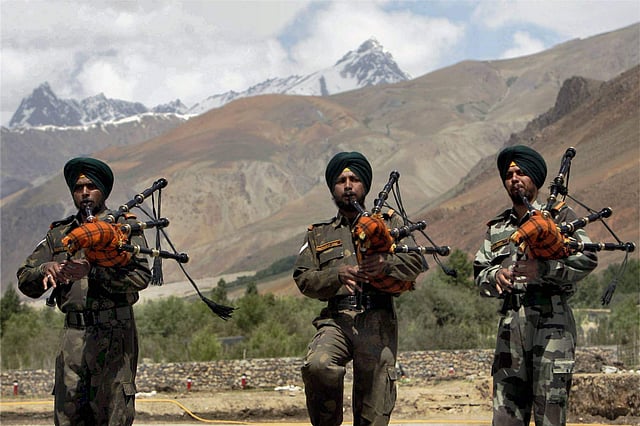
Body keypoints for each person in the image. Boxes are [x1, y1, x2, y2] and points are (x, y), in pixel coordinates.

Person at [17, 157, 151, 426]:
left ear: (104, 190)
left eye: (91, 186)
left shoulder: (123, 229)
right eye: (79, 188)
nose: (85, 193)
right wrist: (46, 269)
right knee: (69, 413)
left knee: (113, 413)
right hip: (73, 336)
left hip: (115, 334)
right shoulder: (59, 234)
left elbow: (141, 276)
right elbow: (24, 278)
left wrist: (94, 270)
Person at [293, 151, 424, 425]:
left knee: (373, 410)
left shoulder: (390, 223)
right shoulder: (319, 233)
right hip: (336, 320)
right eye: (341, 181)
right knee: (318, 365)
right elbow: (303, 278)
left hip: (378, 320)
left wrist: (385, 264)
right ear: (333, 188)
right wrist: (336, 275)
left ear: (365, 184)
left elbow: (416, 262)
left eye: (354, 179)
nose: (348, 186)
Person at [473, 145, 597, 426]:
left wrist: (543, 269)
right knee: (505, 417)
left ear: (535, 179)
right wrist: (496, 276)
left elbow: (587, 258)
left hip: (552, 329)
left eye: (521, 173)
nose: (514, 179)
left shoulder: (559, 217)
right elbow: (480, 272)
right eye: (509, 175)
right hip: (510, 332)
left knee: (549, 415)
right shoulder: (498, 228)